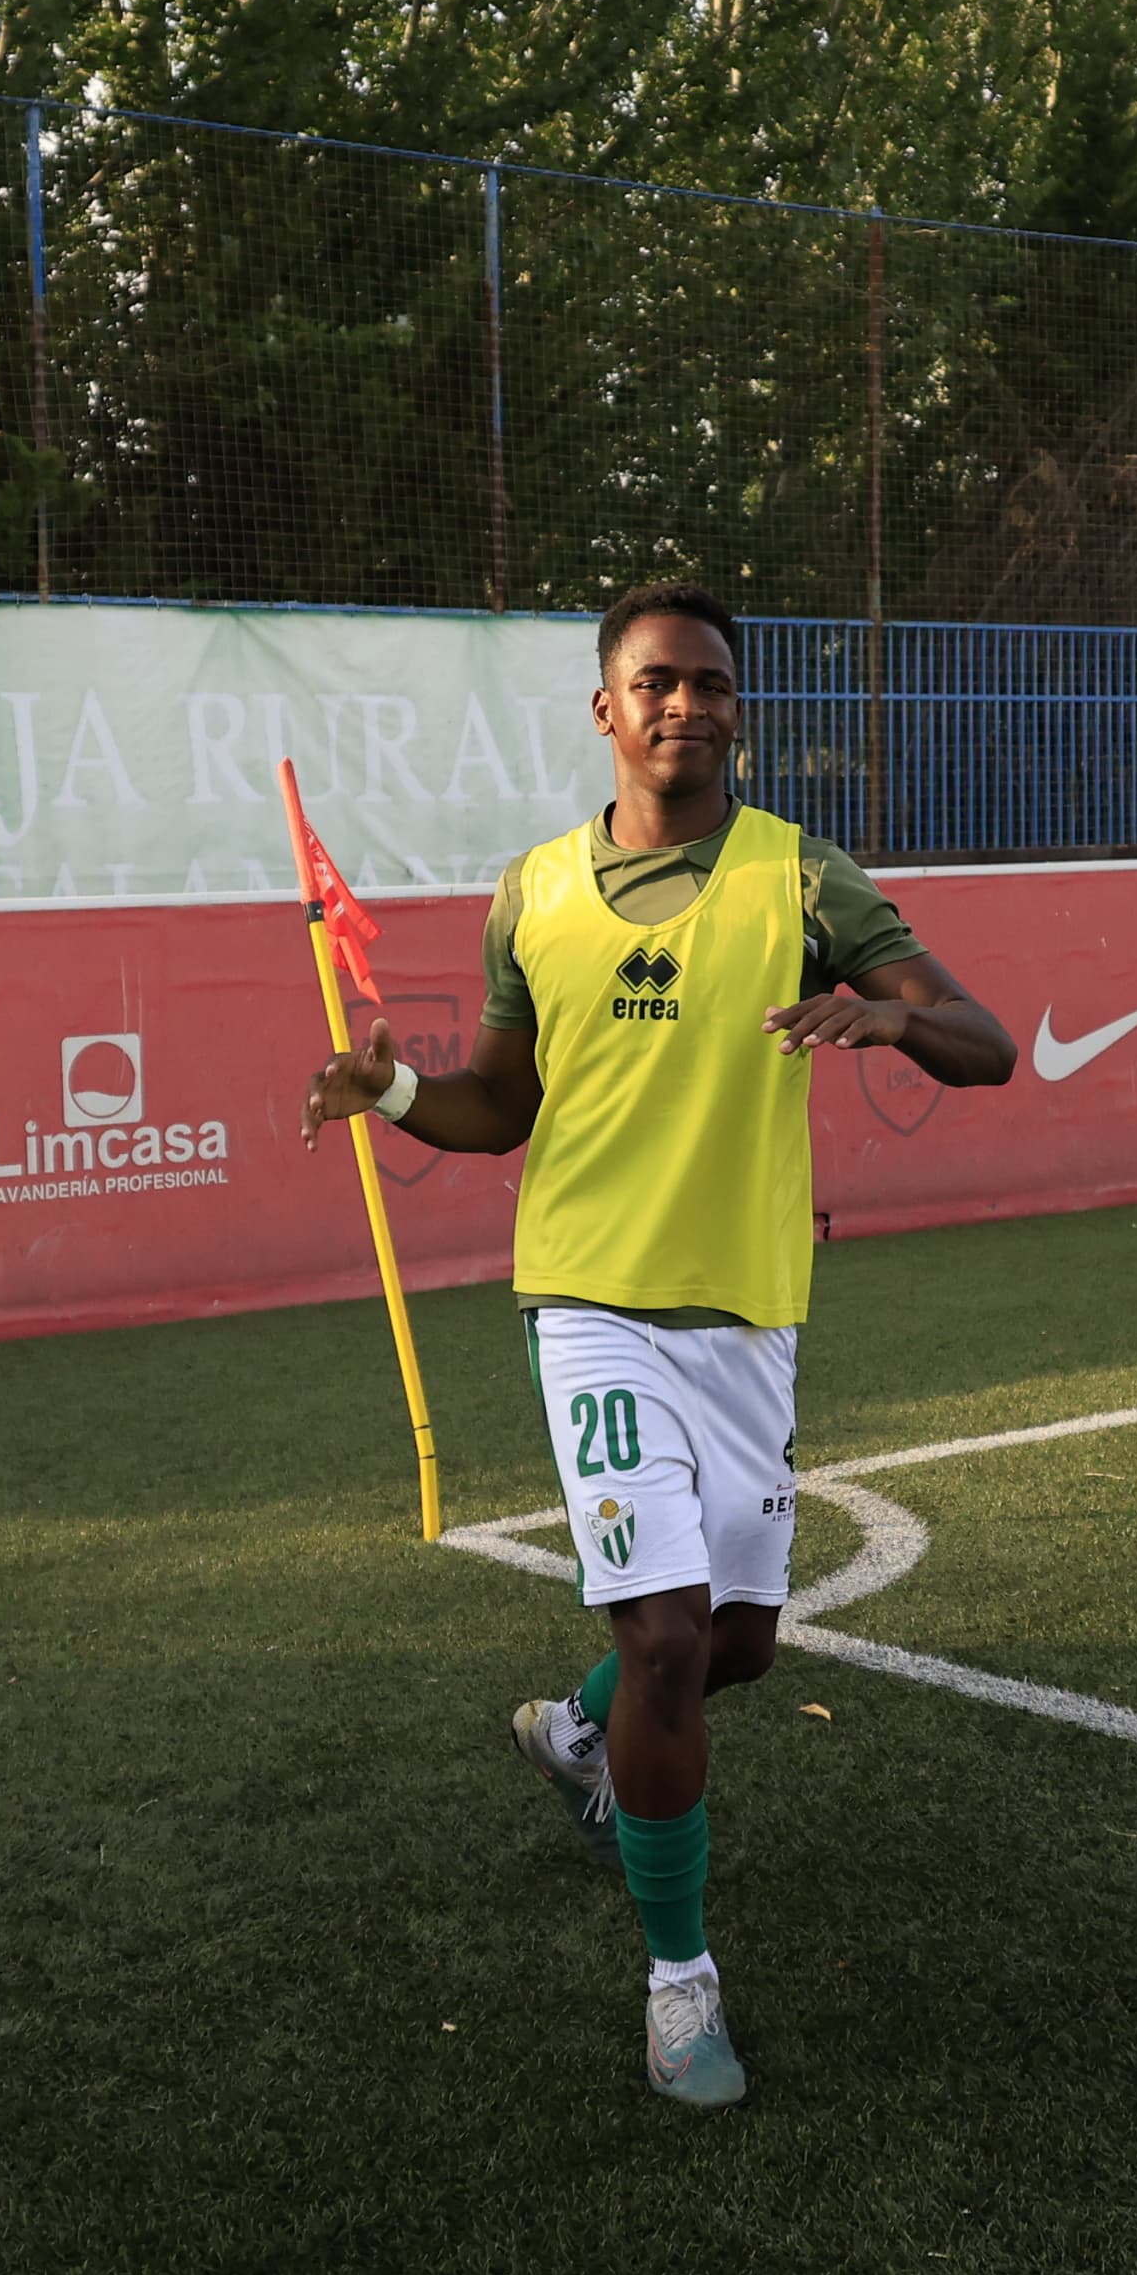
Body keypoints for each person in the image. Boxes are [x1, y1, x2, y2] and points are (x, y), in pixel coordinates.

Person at [299, 581, 1008, 2104]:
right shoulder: (533, 893)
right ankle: (680, 1982)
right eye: (656, 682)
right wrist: (399, 1093)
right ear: (606, 709)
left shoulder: (802, 878)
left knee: (738, 1643)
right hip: (589, 1311)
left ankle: (576, 1731)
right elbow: (505, 1106)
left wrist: (893, 1020)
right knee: (668, 1642)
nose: (685, 704)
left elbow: (988, 1044)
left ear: (736, 710)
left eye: (710, 684)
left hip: (747, 1320)